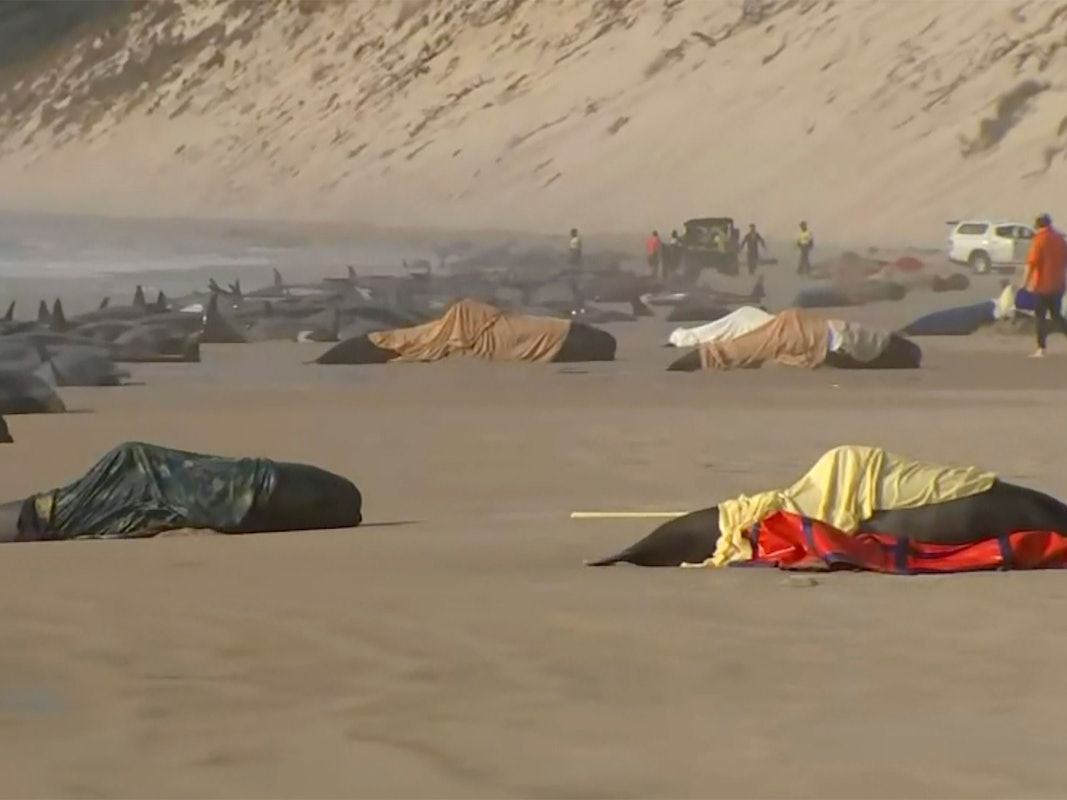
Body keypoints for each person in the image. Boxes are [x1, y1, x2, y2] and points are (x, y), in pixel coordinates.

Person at [1022, 213, 1067, 358]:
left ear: (1038, 226)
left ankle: (1041, 349)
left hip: (1041, 286)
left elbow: (1031, 264)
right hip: (1058, 285)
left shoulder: (1039, 240)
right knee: (1057, 316)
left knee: (1040, 318)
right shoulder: (1060, 239)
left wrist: (1023, 284)